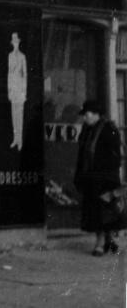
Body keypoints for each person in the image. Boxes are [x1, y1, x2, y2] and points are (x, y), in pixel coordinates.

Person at [74, 99, 122, 256]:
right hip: (90, 178)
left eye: (87, 114)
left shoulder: (109, 129)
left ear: (96, 114)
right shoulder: (87, 130)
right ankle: (107, 240)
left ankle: (103, 242)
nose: (85, 118)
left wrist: (108, 178)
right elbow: (82, 155)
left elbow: (116, 157)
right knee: (96, 211)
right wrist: (79, 176)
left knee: (105, 211)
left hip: (106, 179)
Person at [7, 32, 27, 151]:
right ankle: (15, 139)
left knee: (20, 116)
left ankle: (20, 140)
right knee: (14, 116)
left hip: (20, 90)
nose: (15, 44)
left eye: (17, 42)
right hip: (13, 90)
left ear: (19, 43)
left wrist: (24, 91)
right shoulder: (10, 56)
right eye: (13, 42)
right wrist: (9, 89)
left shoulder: (22, 56)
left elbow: (25, 75)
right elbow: (9, 73)